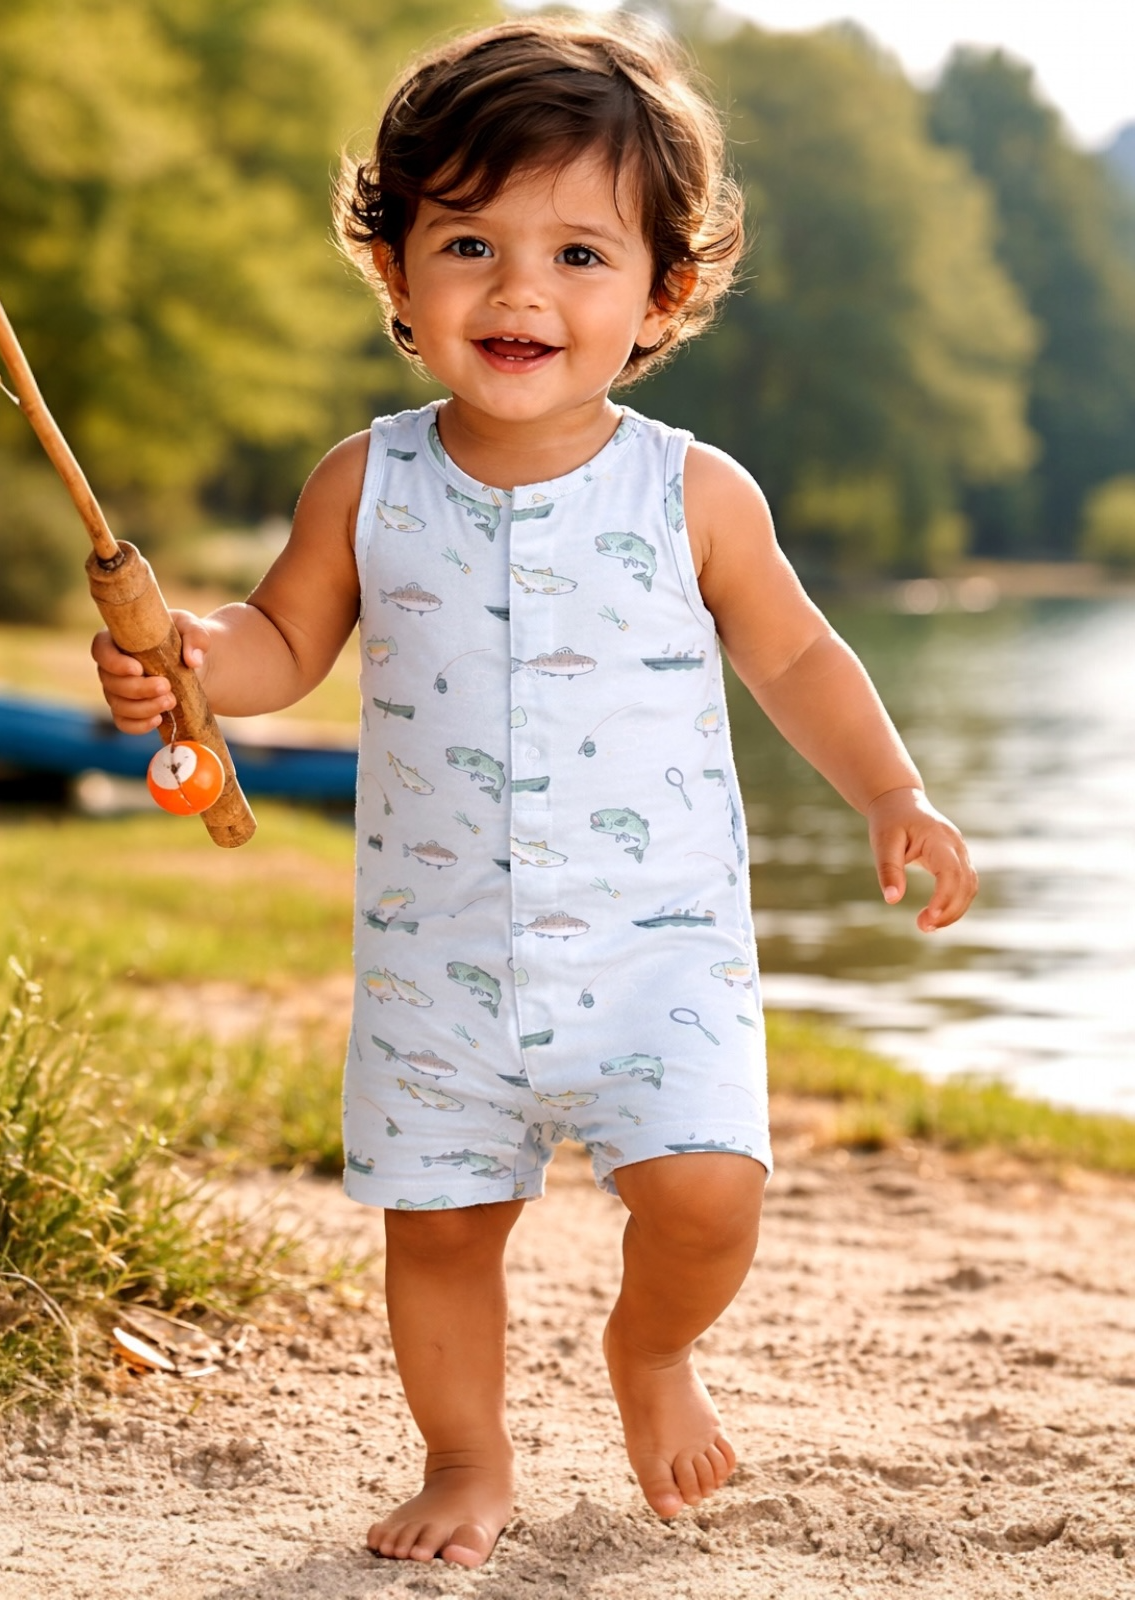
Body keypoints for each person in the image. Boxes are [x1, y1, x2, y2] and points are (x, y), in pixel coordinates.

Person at [93, 15, 977, 1570]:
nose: (519, 290)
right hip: (443, 964)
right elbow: (282, 639)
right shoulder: (367, 482)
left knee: (708, 1193)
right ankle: (467, 1456)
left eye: (579, 252)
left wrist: (892, 789)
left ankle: (651, 1350)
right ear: (395, 271)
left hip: (658, 956)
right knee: (438, 1233)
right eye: (468, 242)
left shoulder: (691, 492)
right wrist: (185, 653)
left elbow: (798, 657)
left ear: (663, 291)